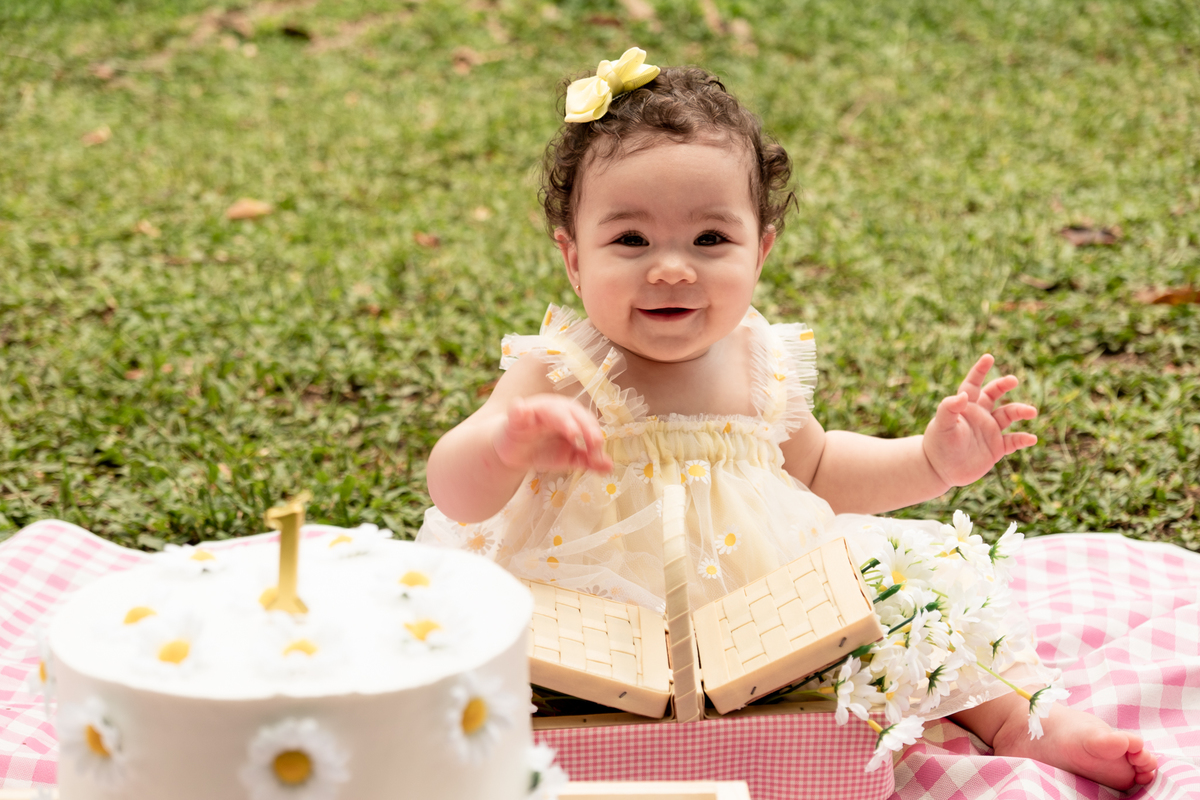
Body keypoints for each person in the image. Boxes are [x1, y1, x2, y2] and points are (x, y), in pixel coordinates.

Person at [418, 48, 1157, 790]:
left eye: (710, 239)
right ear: (573, 257)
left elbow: (820, 468)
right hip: (593, 617)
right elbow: (455, 489)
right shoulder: (560, 368)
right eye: (630, 240)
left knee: (912, 593)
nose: (672, 268)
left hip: (760, 609)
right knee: (482, 660)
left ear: (761, 249)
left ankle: (1020, 719)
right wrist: (506, 445)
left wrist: (931, 463)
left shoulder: (757, 357)